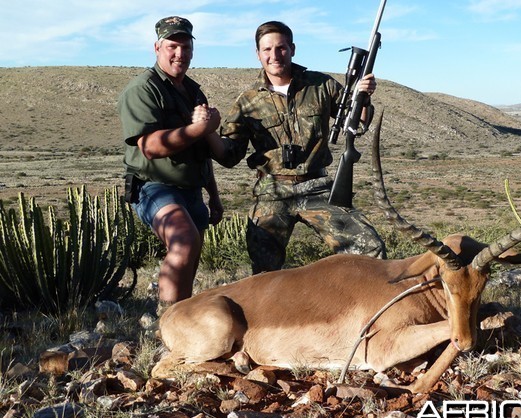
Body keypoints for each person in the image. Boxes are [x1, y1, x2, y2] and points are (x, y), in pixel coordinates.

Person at [208, 20, 386, 274]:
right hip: (272, 190)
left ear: (292, 48)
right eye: (267, 50)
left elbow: (355, 124)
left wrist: (363, 98)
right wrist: (205, 132)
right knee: (264, 270)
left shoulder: (321, 85)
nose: (274, 55)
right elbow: (229, 154)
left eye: (280, 48)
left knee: (371, 249)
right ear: (257, 54)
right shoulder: (247, 101)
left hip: (318, 188)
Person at [117, 16, 224, 314]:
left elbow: (202, 150)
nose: (180, 53)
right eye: (172, 46)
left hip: (192, 188)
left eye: (185, 47)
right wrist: (199, 129)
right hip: (155, 187)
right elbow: (150, 147)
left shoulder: (193, 91)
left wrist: (214, 196)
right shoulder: (142, 89)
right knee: (184, 241)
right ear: (157, 47)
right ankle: (167, 323)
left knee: (190, 256)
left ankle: (183, 322)